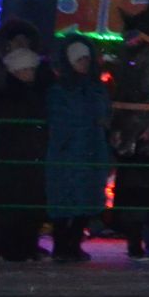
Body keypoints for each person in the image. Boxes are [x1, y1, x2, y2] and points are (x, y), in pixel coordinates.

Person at [45, 38, 112, 263]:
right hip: (69, 150)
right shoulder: (61, 90)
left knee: (87, 198)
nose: (83, 63)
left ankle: (74, 243)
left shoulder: (96, 88)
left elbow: (106, 113)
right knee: (65, 199)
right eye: (79, 60)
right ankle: (62, 244)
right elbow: (61, 118)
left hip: (92, 149)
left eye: (86, 59)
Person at [0, 43, 50, 262]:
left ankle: (25, 244)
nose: (28, 74)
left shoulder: (31, 93)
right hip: (16, 155)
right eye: (24, 70)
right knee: (16, 202)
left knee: (27, 203)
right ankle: (13, 246)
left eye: (30, 70)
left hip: (27, 154)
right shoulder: (10, 96)